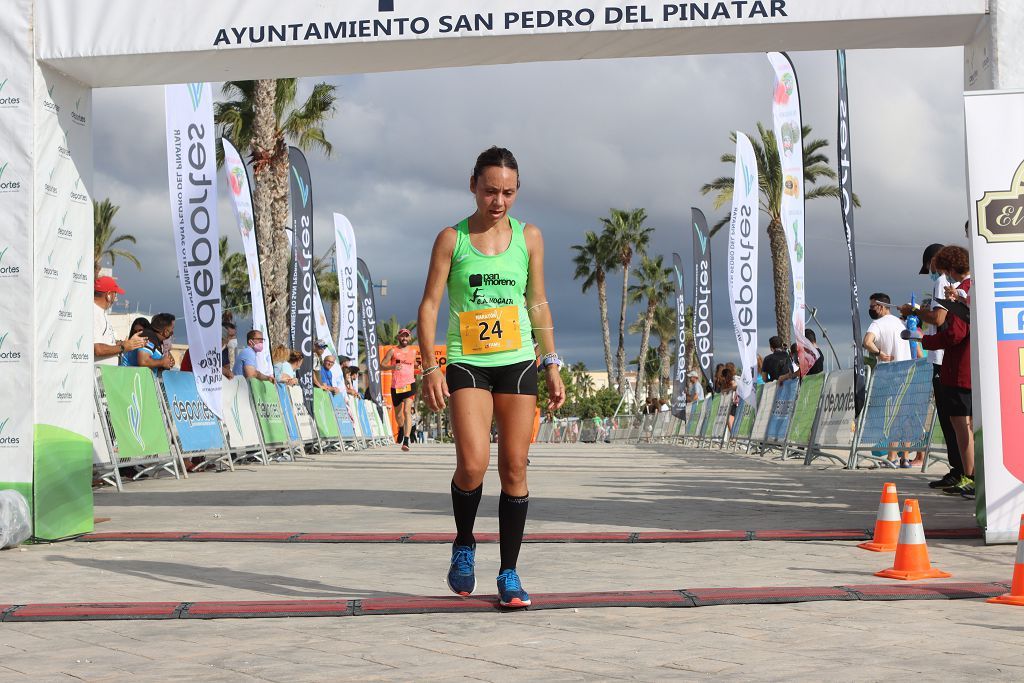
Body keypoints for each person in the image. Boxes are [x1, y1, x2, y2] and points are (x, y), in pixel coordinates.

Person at [417, 146, 565, 608]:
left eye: (508, 193)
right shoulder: (451, 239)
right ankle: (464, 543)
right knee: (473, 464)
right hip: (468, 361)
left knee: (515, 467)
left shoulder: (530, 237)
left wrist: (551, 360)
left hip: (518, 360)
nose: (498, 201)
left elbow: (537, 301)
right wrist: (429, 366)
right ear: (473, 186)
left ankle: (509, 572)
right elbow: (429, 306)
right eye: (490, 191)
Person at [898, 243, 965, 487]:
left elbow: (939, 318)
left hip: (942, 359)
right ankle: (962, 470)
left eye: (929, 267)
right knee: (957, 421)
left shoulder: (942, 282)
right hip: (951, 357)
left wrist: (915, 310)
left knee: (952, 420)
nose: (931, 273)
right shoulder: (958, 283)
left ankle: (960, 471)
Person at [918, 246, 975, 498]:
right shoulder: (966, 290)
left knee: (962, 425)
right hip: (961, 367)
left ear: (950, 269)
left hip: (960, 368)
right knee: (961, 425)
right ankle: (967, 473)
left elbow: (954, 332)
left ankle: (969, 475)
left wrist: (925, 340)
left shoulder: (966, 290)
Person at [93, 276, 145, 365]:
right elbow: (98, 349)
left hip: (105, 373)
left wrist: (128, 343)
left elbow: (107, 343)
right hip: (97, 375)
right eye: (115, 294)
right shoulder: (93, 312)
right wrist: (123, 347)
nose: (115, 298)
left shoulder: (101, 312)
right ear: (109, 295)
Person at [382, 328, 419, 451]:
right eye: (402, 336)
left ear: (410, 338)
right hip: (396, 386)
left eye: (406, 336)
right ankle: (402, 428)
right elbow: (381, 365)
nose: (404, 338)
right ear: (398, 337)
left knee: (407, 411)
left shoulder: (413, 352)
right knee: (398, 416)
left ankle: (406, 440)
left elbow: (415, 365)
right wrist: (393, 366)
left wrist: (420, 367)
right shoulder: (392, 351)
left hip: (410, 385)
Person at [863, 293, 911, 364]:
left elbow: (867, 342)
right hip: (906, 370)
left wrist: (879, 353)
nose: (870, 309)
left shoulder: (877, 324)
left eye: (872, 306)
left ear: (881, 307)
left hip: (887, 371)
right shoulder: (903, 323)